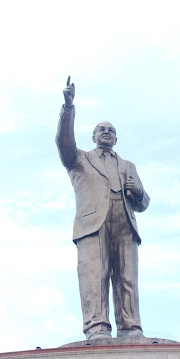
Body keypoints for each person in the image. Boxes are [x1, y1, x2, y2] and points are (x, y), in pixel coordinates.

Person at [55, 77, 150, 340]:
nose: (106, 132)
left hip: (124, 221)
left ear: (116, 138)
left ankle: (131, 327)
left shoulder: (128, 166)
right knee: (95, 276)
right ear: (94, 136)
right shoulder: (79, 159)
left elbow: (144, 203)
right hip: (92, 221)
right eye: (101, 129)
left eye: (111, 130)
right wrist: (68, 107)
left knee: (127, 277)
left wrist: (138, 192)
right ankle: (97, 327)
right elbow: (64, 143)